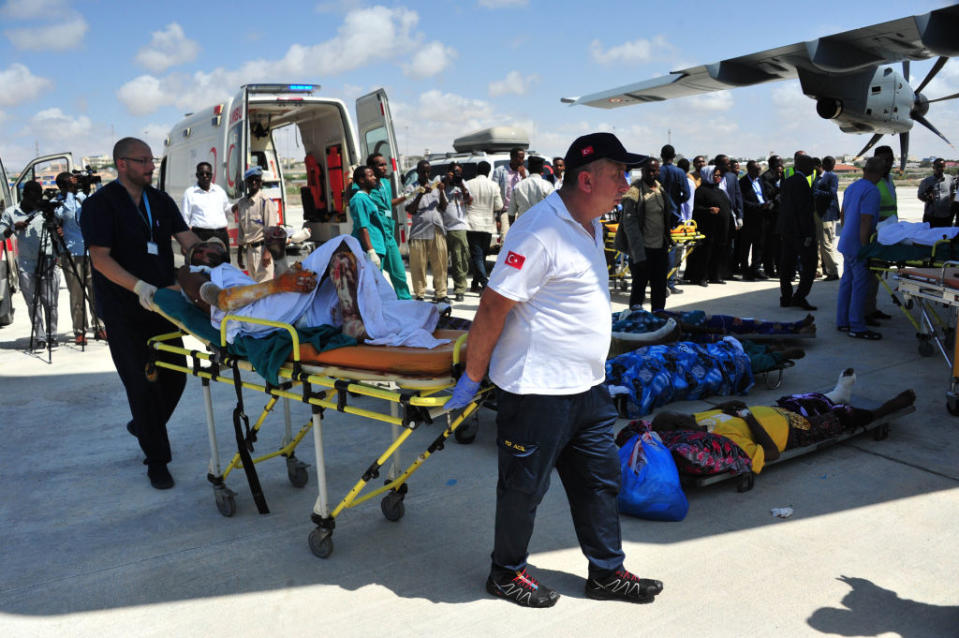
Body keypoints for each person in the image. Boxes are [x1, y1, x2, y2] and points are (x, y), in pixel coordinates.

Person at [444, 132, 663, 608]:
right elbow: (492, 309)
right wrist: (473, 378)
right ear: (586, 179)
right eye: (617, 174)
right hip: (537, 390)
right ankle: (505, 573)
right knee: (524, 488)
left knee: (600, 484)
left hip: (587, 389)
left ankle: (606, 572)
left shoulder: (590, 225)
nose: (626, 183)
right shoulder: (539, 230)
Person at [79, 137, 200, 490]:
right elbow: (100, 258)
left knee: (176, 376)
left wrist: (206, 250)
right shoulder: (100, 205)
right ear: (122, 164)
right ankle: (157, 460)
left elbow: (185, 237)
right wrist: (139, 288)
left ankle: (145, 426)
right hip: (124, 310)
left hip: (163, 305)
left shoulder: (159, 200)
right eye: (143, 160)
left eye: (152, 160)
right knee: (142, 385)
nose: (151, 166)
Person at [651, 369, 915, 472]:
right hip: (794, 432)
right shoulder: (720, 444)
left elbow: (711, 415)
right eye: (684, 419)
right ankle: (883, 411)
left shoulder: (698, 420)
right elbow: (771, 454)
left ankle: (837, 394)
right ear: (682, 430)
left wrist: (726, 407)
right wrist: (749, 419)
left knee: (802, 400)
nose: (690, 416)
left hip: (778, 412)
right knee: (841, 417)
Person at [0, 180, 60, 349]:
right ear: (25, 195)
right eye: (33, 198)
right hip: (26, 263)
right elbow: (1, 234)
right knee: (33, 302)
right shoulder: (11, 212)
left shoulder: (45, 211)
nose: (36, 202)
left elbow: (58, 227)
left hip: (47, 259)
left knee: (50, 301)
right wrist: (13, 227)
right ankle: (40, 336)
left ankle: (52, 335)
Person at [836, 158, 885, 340]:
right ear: (880, 174)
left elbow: (842, 215)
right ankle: (856, 325)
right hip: (858, 245)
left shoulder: (852, 187)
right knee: (859, 285)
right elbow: (865, 220)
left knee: (847, 282)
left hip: (846, 242)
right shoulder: (872, 191)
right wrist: (865, 247)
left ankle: (842, 321)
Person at [54, 171, 104, 344]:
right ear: (62, 185)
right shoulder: (58, 202)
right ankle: (79, 330)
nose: (74, 183)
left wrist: (91, 185)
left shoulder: (83, 197)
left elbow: (99, 204)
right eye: (70, 181)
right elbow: (64, 215)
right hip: (71, 253)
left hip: (91, 252)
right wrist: (68, 193)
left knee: (96, 291)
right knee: (77, 294)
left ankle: (99, 326)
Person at [619, 159, 671, 311]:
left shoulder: (660, 190)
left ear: (658, 171)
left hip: (660, 248)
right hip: (642, 250)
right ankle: (636, 323)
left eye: (654, 170)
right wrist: (638, 254)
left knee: (659, 289)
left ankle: (658, 319)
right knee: (638, 289)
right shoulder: (634, 192)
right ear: (642, 172)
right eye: (648, 170)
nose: (651, 173)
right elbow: (630, 225)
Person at [366, 153, 411, 299]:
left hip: (388, 233)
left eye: (385, 164)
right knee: (376, 275)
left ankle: (405, 302)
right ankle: (376, 307)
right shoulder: (365, 186)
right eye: (381, 165)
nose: (385, 168)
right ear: (371, 168)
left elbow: (388, 204)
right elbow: (350, 197)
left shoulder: (385, 183)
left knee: (399, 273)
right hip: (376, 235)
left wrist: (407, 197)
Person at [778, 154, 818, 311]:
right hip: (801, 232)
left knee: (786, 265)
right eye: (811, 165)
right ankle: (800, 297)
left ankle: (786, 297)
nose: (813, 169)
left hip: (787, 230)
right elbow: (804, 211)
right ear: (805, 166)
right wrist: (808, 234)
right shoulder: (801, 183)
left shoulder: (788, 181)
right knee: (810, 265)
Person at [405, 160, 449, 303]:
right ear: (418, 172)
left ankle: (441, 293)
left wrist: (441, 191)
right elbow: (410, 209)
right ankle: (420, 294)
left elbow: (443, 207)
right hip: (419, 231)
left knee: (440, 263)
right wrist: (420, 194)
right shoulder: (411, 188)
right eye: (423, 171)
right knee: (418, 264)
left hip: (436, 228)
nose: (426, 174)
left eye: (428, 171)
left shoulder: (436, 186)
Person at [863, 146, 897, 323]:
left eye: (890, 160)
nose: (888, 163)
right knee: (869, 276)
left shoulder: (889, 179)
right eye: (884, 160)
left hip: (888, 234)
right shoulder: (873, 183)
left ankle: (871, 307)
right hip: (875, 234)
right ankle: (865, 311)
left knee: (876, 276)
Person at [687, 165, 731, 287]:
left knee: (718, 252)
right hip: (707, 228)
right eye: (715, 175)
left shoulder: (720, 190)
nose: (718, 178)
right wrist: (708, 210)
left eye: (719, 175)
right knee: (705, 253)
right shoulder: (701, 190)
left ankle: (715, 275)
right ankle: (701, 277)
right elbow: (695, 209)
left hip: (720, 228)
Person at [180, 162, 232, 259]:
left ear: (212, 175)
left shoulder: (219, 191)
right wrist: (184, 243)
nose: (205, 176)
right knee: (200, 269)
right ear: (197, 175)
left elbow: (226, 208)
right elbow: (184, 219)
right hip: (200, 236)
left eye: (208, 174)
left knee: (222, 268)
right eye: (201, 174)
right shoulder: (190, 193)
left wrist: (235, 207)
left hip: (221, 235)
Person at [233, 166, 277, 282]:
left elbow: (272, 230)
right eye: (251, 179)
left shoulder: (265, 202)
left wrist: (268, 252)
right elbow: (242, 232)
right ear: (246, 182)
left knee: (265, 287)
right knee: (253, 286)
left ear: (261, 182)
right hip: (249, 252)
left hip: (262, 250)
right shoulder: (242, 203)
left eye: (257, 179)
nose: (254, 182)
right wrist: (239, 253)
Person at [464, 160, 502, 293]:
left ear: (477, 171)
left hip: (472, 224)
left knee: (477, 256)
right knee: (482, 255)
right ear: (488, 172)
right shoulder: (494, 185)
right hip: (487, 225)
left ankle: (483, 285)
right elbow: (499, 206)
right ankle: (477, 283)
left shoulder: (468, 184)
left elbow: (464, 203)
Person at [349, 165, 390, 273]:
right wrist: (371, 251)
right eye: (371, 176)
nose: (374, 178)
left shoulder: (368, 197)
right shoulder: (359, 199)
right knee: (371, 285)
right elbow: (363, 227)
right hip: (370, 249)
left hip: (377, 246)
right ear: (362, 180)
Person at [442, 162, 472, 302]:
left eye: (459, 172)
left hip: (458, 227)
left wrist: (462, 186)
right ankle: (441, 291)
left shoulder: (463, 183)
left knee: (459, 260)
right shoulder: (441, 182)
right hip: (441, 227)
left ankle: (460, 289)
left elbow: (469, 200)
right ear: (448, 172)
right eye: (455, 172)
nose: (457, 175)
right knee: (441, 262)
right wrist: (446, 182)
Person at [738, 160, 772, 281]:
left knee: (759, 244)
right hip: (749, 217)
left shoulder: (760, 181)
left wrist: (767, 203)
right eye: (756, 170)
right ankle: (745, 270)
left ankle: (756, 268)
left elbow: (763, 195)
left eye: (759, 169)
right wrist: (758, 206)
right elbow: (742, 201)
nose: (759, 171)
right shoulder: (742, 182)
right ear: (749, 169)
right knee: (746, 245)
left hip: (762, 216)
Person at [814, 156, 841, 281]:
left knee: (826, 244)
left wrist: (816, 192)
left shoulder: (831, 177)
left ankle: (833, 271)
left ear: (820, 165)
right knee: (817, 243)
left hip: (827, 214)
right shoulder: (815, 178)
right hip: (817, 213)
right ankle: (818, 270)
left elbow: (832, 193)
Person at [760, 155, 784, 277]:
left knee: (780, 244)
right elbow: (769, 193)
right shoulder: (767, 177)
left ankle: (780, 268)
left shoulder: (783, 175)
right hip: (771, 214)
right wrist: (778, 185)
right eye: (778, 164)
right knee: (770, 244)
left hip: (781, 213)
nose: (781, 166)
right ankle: (769, 269)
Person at [918, 158, 956, 227]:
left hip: (946, 216)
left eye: (942, 166)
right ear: (933, 167)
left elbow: (954, 193)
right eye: (938, 166)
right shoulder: (926, 181)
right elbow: (920, 195)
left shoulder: (951, 180)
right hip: (931, 216)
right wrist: (927, 198)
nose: (940, 169)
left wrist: (951, 203)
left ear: (945, 167)